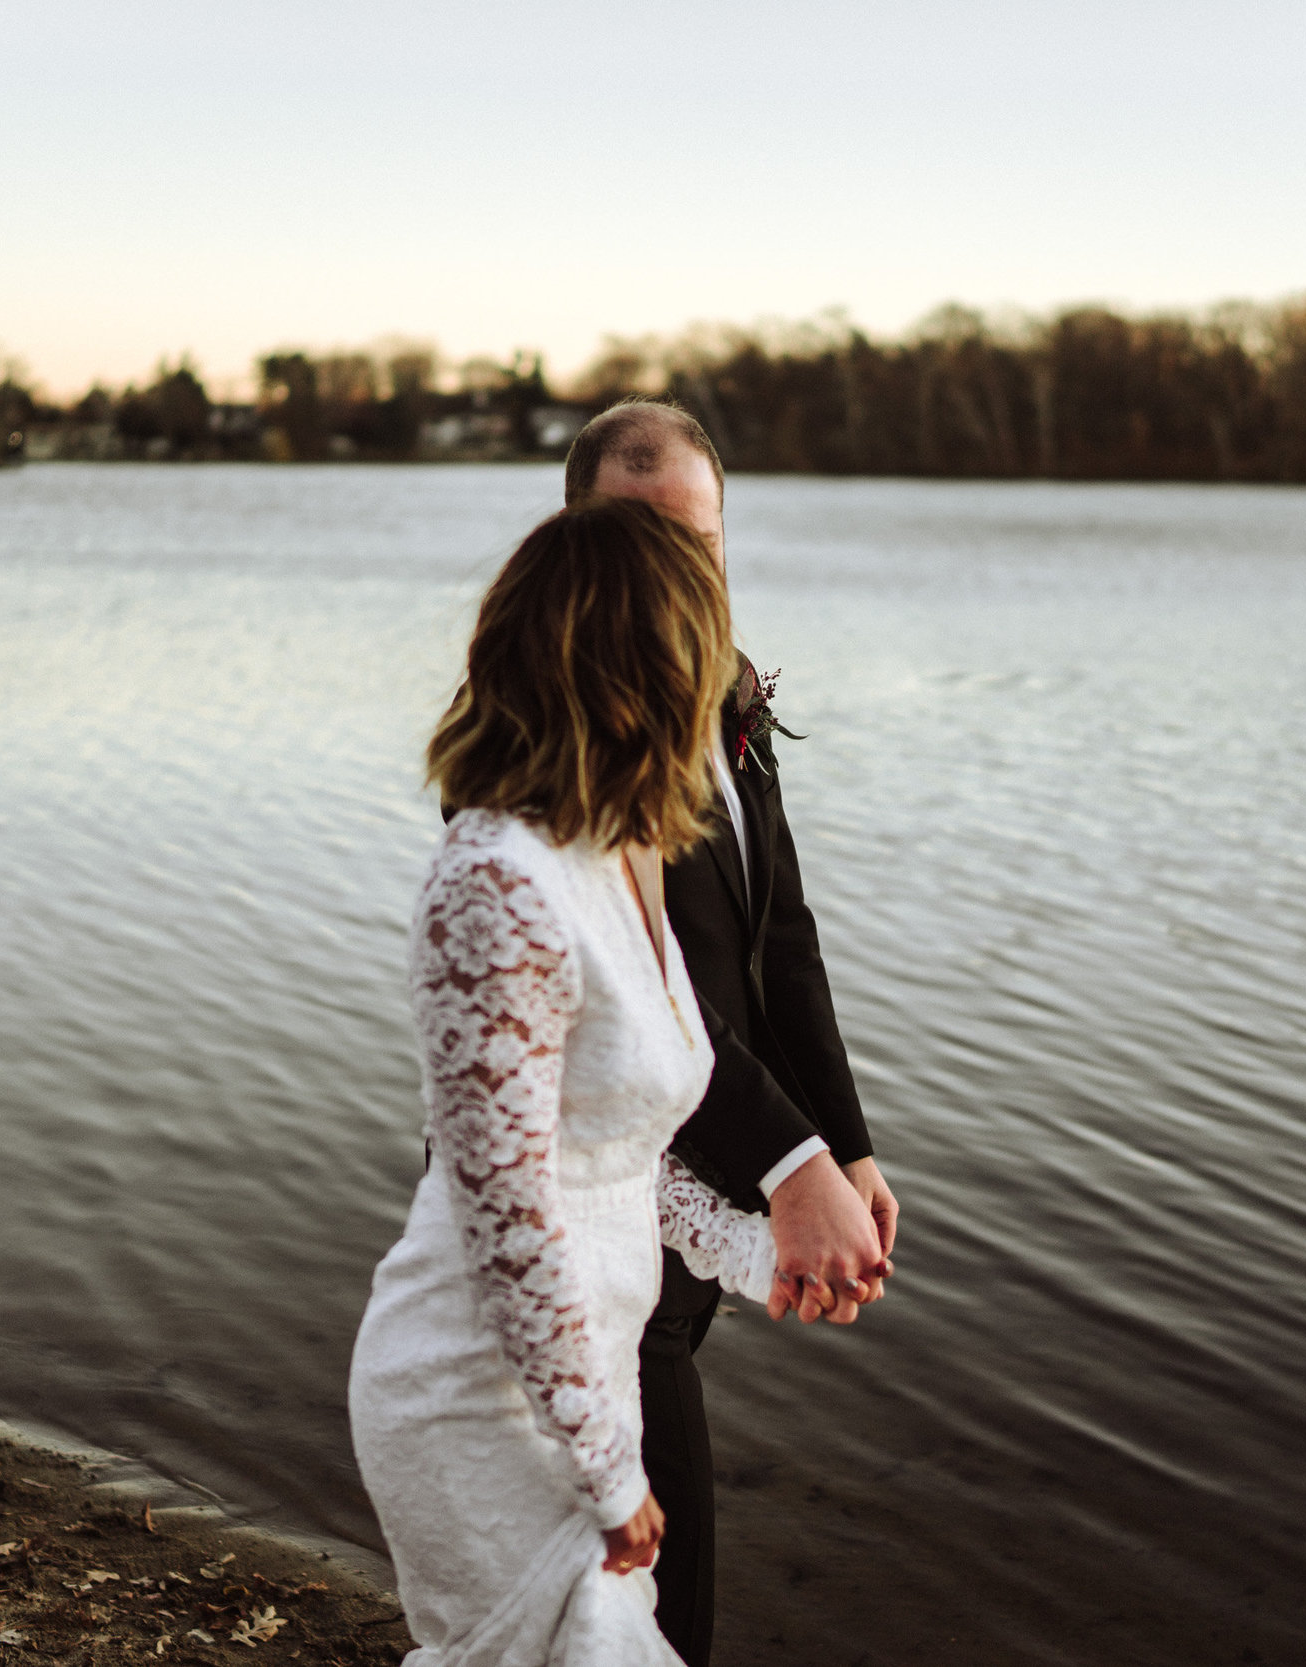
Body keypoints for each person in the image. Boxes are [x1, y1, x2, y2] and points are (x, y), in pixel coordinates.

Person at [350, 497, 788, 1665]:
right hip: (477, 1395)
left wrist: (752, 1251)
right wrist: (604, 1467)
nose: (721, 689)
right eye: (700, 656)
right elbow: (507, 1210)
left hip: (580, 1374)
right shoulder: (494, 883)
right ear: (638, 671)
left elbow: (615, 1147)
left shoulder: (620, 857)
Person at [561, 401, 899, 1665]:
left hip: (695, 1215)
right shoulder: (544, 729)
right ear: (570, 541)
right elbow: (634, 1000)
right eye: (633, 539)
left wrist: (845, 1144)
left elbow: (782, 942)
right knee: (659, 1611)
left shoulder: (732, 698)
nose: (669, 575)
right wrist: (788, 1163)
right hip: (581, 1234)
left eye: (693, 544)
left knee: (597, 1603)